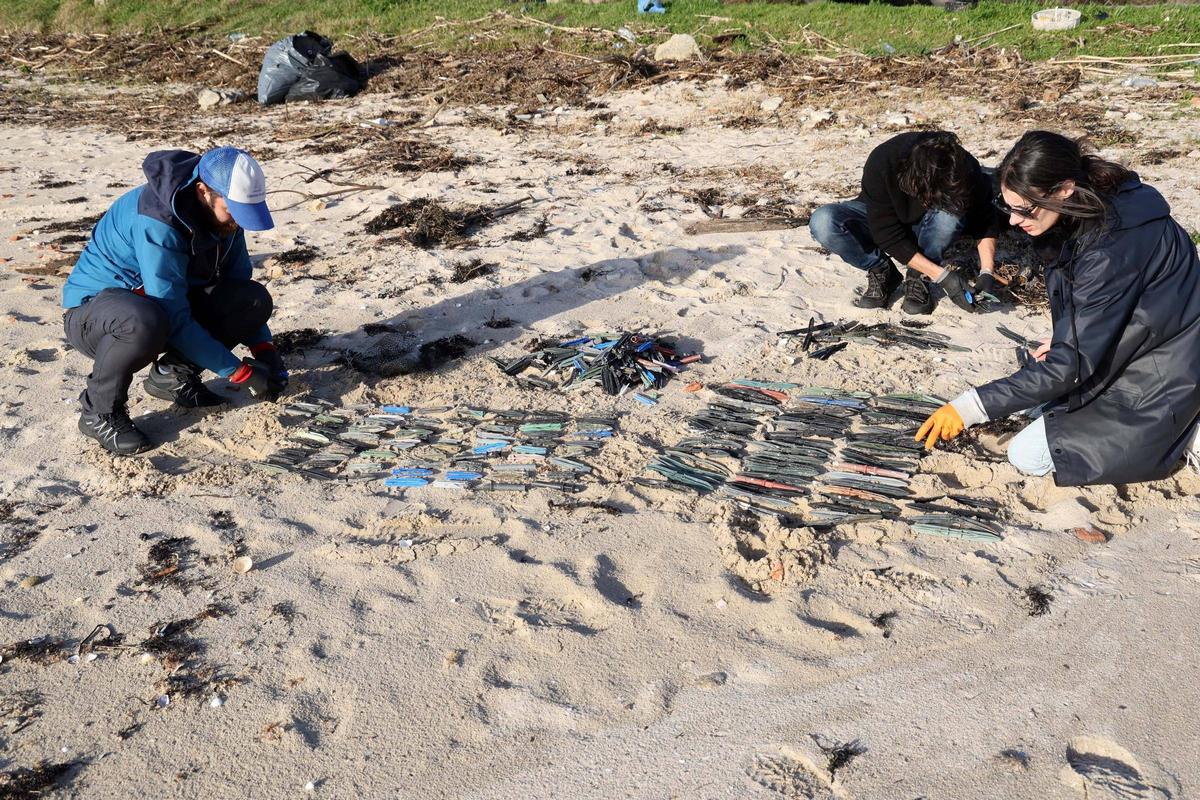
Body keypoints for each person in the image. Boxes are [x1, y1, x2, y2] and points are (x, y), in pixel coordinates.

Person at [916, 131, 1200, 485]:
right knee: (1043, 400)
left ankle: (1187, 432)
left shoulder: (1109, 246)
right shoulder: (1086, 211)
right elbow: (1110, 307)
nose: (1013, 221)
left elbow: (1069, 367)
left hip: (1166, 371)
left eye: (1024, 209)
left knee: (1028, 455)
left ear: (1064, 188)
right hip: (1143, 344)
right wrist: (1068, 337)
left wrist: (968, 407)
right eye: (1007, 207)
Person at [62, 147, 288, 456]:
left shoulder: (226, 220)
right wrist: (239, 372)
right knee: (143, 322)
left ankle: (172, 376)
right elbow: (172, 312)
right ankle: (98, 412)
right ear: (203, 191)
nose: (239, 221)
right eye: (234, 209)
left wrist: (264, 349)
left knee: (252, 300)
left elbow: (237, 286)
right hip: (96, 315)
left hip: (160, 307)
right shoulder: (158, 221)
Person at [808, 130, 1000, 314]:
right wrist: (943, 277)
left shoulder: (964, 168)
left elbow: (984, 217)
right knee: (823, 221)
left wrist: (986, 272)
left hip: (931, 223)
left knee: (949, 218)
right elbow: (887, 235)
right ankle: (882, 271)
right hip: (882, 216)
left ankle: (918, 276)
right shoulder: (883, 161)